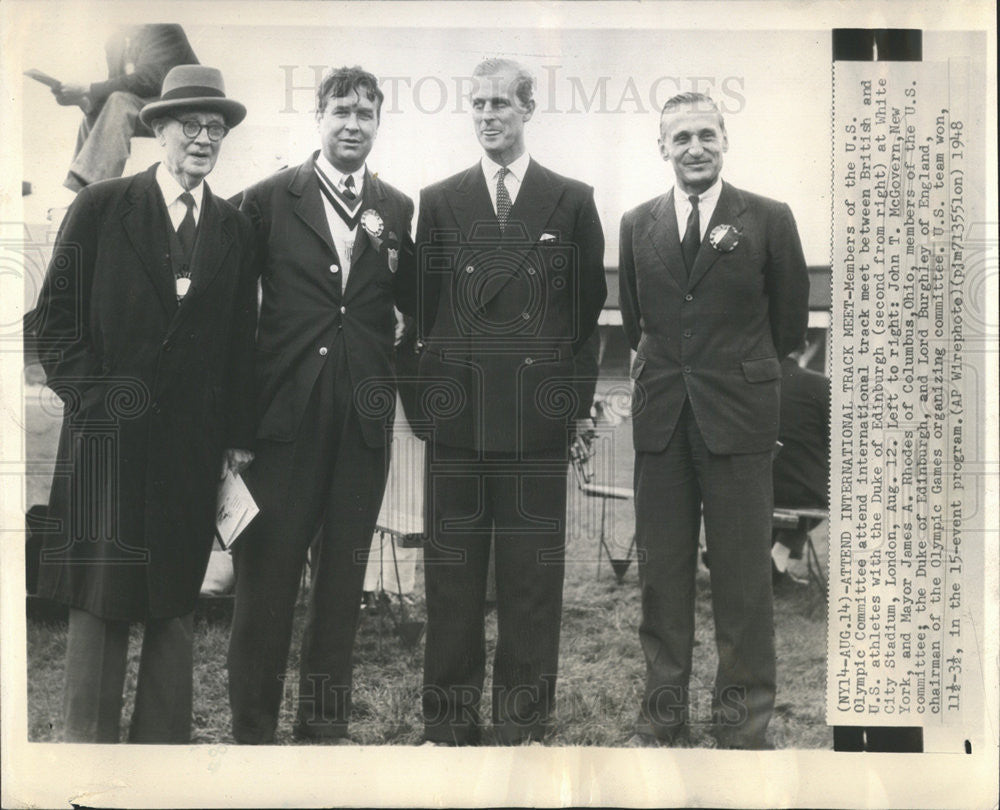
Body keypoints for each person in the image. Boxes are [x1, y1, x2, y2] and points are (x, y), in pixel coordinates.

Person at [29, 64, 255, 743]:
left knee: (173, 597)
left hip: (191, 447)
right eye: (190, 125)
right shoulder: (101, 208)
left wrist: (236, 434)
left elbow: (241, 342)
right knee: (101, 595)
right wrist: (96, 400)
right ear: (158, 129)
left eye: (215, 129)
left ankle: (162, 752)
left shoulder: (234, 228)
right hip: (108, 438)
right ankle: (87, 754)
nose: (203, 138)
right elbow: (56, 323)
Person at [416, 58, 606, 745]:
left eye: (501, 103)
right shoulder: (438, 199)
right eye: (478, 104)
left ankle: (521, 726)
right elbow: (422, 310)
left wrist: (573, 406)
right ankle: (448, 724)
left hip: (534, 423)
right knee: (453, 580)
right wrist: (426, 407)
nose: (488, 115)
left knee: (530, 585)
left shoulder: (572, 199)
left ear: (528, 109)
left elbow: (586, 320)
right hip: (458, 421)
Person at [226, 66, 416, 744]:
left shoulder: (396, 208)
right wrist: (235, 425)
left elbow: (408, 309)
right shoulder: (267, 199)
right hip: (282, 426)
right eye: (341, 110)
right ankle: (251, 734)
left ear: (378, 122)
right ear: (319, 117)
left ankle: (322, 732)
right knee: (266, 590)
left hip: (363, 426)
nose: (352, 124)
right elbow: (230, 318)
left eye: (366, 113)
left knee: (341, 590)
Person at [618, 91, 809, 748]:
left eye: (706, 134)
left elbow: (787, 324)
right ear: (662, 148)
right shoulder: (636, 222)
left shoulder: (768, 218)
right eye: (681, 137)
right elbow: (637, 322)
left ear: (725, 140)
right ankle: (661, 719)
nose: (694, 147)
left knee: (742, 580)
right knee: (661, 577)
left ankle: (742, 725)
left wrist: (735, 375)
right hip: (662, 426)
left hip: (739, 424)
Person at [53, 23, 199, 191]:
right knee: (98, 113)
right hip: (151, 113)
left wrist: (88, 88)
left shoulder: (164, 28)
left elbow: (148, 80)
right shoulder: (115, 41)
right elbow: (115, 91)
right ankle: (82, 192)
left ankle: (94, 192)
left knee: (120, 102)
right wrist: (82, 101)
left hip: (184, 113)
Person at [772, 342, 830, 569]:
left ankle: (774, 560)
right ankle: (780, 552)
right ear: (804, 347)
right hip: (801, 491)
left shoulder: (747, 383)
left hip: (750, 487)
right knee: (817, 492)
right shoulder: (820, 385)